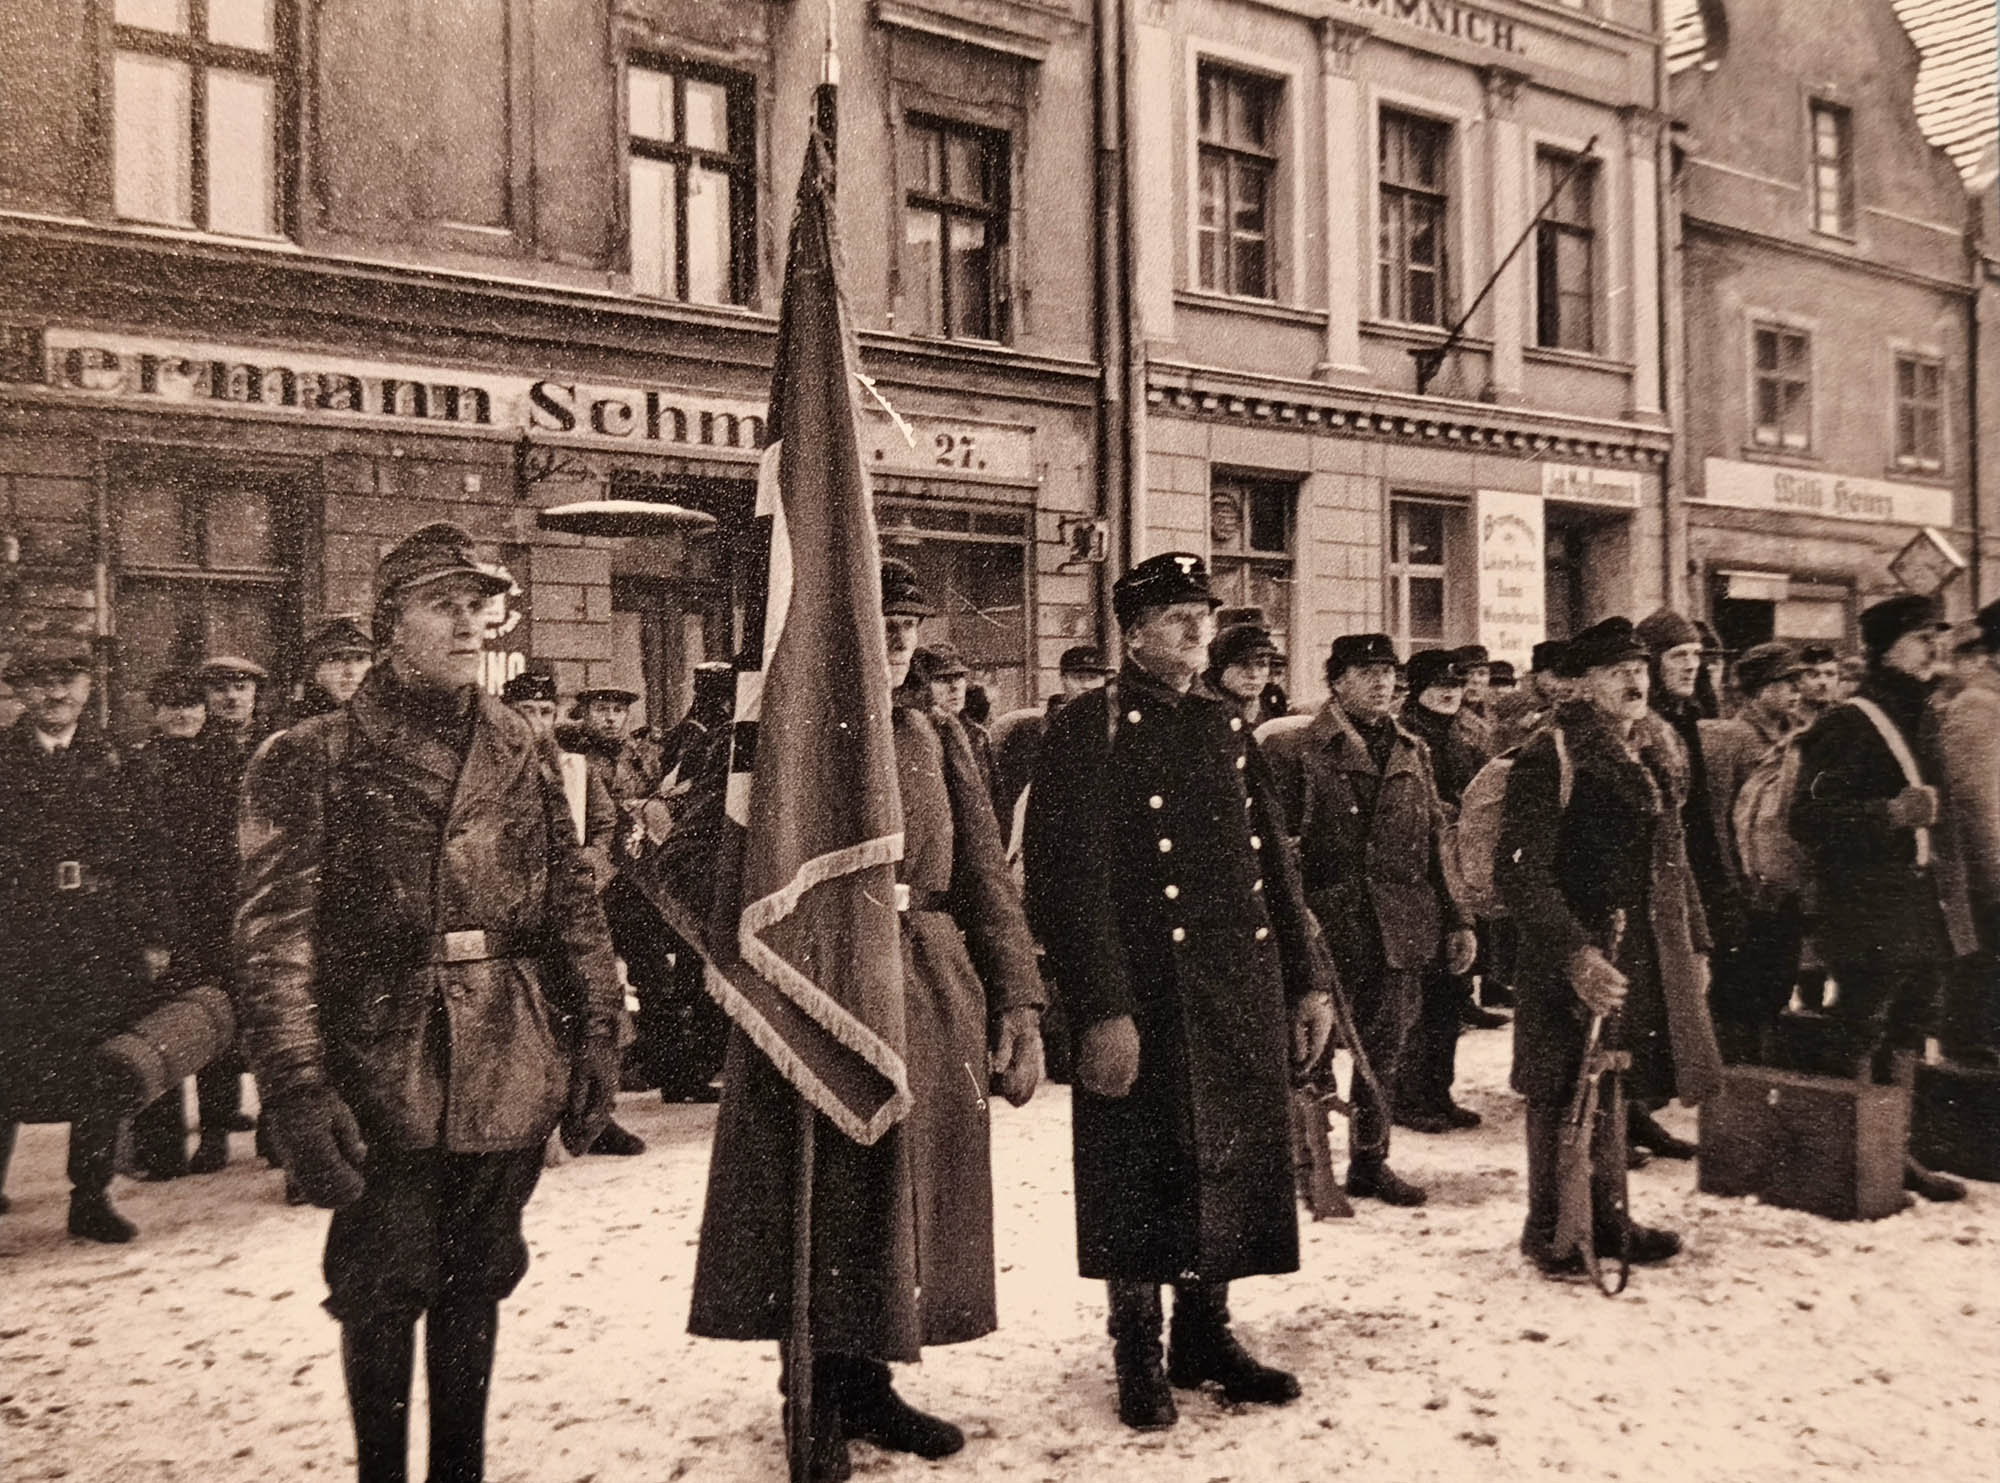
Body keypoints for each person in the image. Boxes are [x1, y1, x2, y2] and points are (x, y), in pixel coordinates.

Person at [237, 522, 625, 1483]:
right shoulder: (314, 753)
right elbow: (276, 940)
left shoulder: (520, 742)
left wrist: (598, 1035)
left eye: (478, 604)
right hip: (380, 1060)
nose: (468, 624)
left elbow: (571, 900)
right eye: (441, 604)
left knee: (479, 1277)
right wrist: (297, 1087)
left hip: (505, 1054)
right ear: (389, 624)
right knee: (381, 1287)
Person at [685, 558, 1045, 1480]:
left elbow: (985, 879)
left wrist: (1019, 999)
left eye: (908, 624)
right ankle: (809, 1392)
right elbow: (698, 859)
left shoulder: (938, 733)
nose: (895, 638)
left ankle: (872, 1380)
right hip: (819, 987)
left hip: (926, 978)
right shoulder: (787, 730)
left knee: (899, 1197)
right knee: (820, 1193)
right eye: (879, 620)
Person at [1025, 552, 1332, 1432]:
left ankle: (1206, 1334)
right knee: (1138, 1169)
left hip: (1235, 984)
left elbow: (1273, 865)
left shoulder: (1224, 723)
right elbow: (1065, 881)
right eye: (1176, 618)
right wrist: (1102, 1007)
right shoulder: (1087, 726)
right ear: (1133, 632)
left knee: (1227, 1160)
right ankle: (1138, 1350)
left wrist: (1306, 982)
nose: (1198, 630)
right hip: (1144, 991)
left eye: (1204, 614)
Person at [1496, 617, 1723, 1279]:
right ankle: (1555, 1231)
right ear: (1583, 684)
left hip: (1633, 951)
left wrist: (1695, 943)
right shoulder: (1552, 753)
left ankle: (1609, 1217)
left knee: (1613, 1083)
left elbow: (1672, 860)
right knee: (1560, 1089)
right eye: (1617, 671)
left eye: (1639, 669)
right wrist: (1575, 954)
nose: (1634, 681)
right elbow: (1520, 872)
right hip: (1567, 956)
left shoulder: (1649, 750)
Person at [1261, 633, 1476, 1207]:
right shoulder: (1295, 749)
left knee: (1385, 1050)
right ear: (1336, 682)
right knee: (1313, 1051)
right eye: (1365, 673)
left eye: (1387, 673)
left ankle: (1371, 1161)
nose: (1382, 683)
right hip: (1327, 927)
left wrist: (1457, 919)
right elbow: (1276, 851)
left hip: (1400, 926)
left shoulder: (1411, 748)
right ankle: (1310, 1164)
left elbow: (1435, 840)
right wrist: (1295, 921)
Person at [1788, 594, 1968, 1202]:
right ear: (1887, 648)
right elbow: (1807, 817)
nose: (1935, 647)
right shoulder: (1849, 722)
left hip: (1919, 902)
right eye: (1922, 637)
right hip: (1867, 905)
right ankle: (1855, 1156)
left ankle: (1897, 1151)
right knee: (1863, 1025)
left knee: (1913, 1023)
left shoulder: (1923, 711)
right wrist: (1889, 814)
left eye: (1938, 636)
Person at [0, 647, 167, 1242]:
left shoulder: (120, 760)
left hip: (100, 939)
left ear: (88, 686)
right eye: (41, 681)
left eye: (68, 679)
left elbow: (152, 853)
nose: (56, 693)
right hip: (16, 938)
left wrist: (154, 935)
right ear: (21, 691)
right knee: (4, 1063)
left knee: (99, 1068)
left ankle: (90, 1198)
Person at [1631, 609, 1740, 1162]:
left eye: (1696, 656)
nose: (1691, 666)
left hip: (1684, 875)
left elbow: (1696, 814)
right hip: (1642, 881)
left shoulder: (1688, 715)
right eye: (1679, 656)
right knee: (1637, 1005)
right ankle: (1623, 1115)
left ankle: (1637, 1111)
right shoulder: (1641, 722)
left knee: (1665, 1002)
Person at [125, 667, 218, 1181]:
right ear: (155, 713)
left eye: (192, 704)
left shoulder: (221, 761)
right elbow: (137, 853)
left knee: (211, 1019)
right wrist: (151, 928)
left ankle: (216, 1135)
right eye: (171, 705)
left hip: (212, 912)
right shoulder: (138, 767)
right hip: (163, 913)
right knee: (158, 1025)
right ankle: (161, 1151)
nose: (183, 714)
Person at [1394, 648, 1491, 1131]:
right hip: (1422, 877)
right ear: (1417, 690)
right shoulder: (1408, 737)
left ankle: (1439, 1091)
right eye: (1439, 685)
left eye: (1454, 684)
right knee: (1423, 995)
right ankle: (1409, 1097)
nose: (1450, 692)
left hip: (1458, 874)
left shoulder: (1463, 735)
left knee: (1453, 989)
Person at [1698, 642, 1808, 1065]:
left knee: (1776, 988)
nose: (1796, 690)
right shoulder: (1732, 738)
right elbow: (1719, 820)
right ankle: (1734, 1077)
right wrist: (1731, 889)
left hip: (1781, 891)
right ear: (1759, 688)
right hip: (1747, 894)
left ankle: (1756, 1071)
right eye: (1785, 682)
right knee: (1739, 995)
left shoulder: (1794, 735)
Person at [186, 653, 274, 1174]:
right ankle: (215, 1132)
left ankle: (275, 1130)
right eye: (220, 688)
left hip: (268, 900)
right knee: (217, 1018)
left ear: (256, 694)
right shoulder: (192, 757)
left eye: (241, 687)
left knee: (273, 1014)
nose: (231, 697)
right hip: (213, 907)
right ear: (207, 697)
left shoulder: (279, 749)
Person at [1939, 600, 2000, 1066]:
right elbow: (1975, 803)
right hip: (1988, 880)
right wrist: (1994, 876)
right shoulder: (1980, 705)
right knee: (1980, 980)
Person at [989, 644, 1115, 823]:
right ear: (1063, 679)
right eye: (1078, 678)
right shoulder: (1032, 732)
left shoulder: (1116, 731)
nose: (1086, 685)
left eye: (1093, 678)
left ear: (1104, 682)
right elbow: (1016, 794)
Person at [909, 642, 997, 810]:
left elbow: (994, 800)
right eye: (943, 679)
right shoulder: (916, 736)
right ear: (923, 687)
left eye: (959, 677)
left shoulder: (977, 736)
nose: (955, 687)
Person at [1492, 640, 1572, 753]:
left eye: (1562, 677)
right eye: (1553, 675)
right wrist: (1519, 728)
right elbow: (1497, 737)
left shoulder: (1560, 700)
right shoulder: (1515, 701)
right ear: (1536, 674)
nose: (1558, 684)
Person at [295, 615, 374, 720]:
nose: (350, 671)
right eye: (335, 659)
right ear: (315, 671)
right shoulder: (299, 725)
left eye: (360, 659)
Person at [1203, 618, 1279, 727]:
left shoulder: (1270, 707)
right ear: (1221, 669)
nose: (1254, 674)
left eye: (1262, 664)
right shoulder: (1204, 712)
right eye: (1243, 664)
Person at [1450, 644, 1497, 758]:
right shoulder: (1448, 716)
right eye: (1468, 673)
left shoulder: (1492, 713)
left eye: (1482, 673)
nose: (1475, 680)